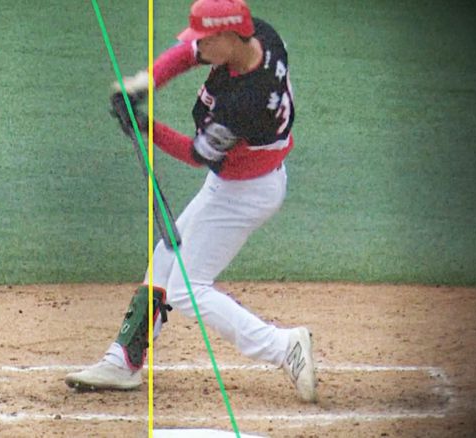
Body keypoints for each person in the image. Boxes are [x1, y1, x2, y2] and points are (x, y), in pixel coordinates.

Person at [66, 0, 317, 403]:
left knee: (187, 288)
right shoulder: (259, 36)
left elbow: (196, 154)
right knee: (165, 258)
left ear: (229, 35)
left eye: (207, 38)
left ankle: (282, 346)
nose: (199, 46)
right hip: (239, 180)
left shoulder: (247, 102)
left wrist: (144, 126)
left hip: (247, 192)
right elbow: (188, 54)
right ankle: (124, 360)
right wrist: (145, 83)